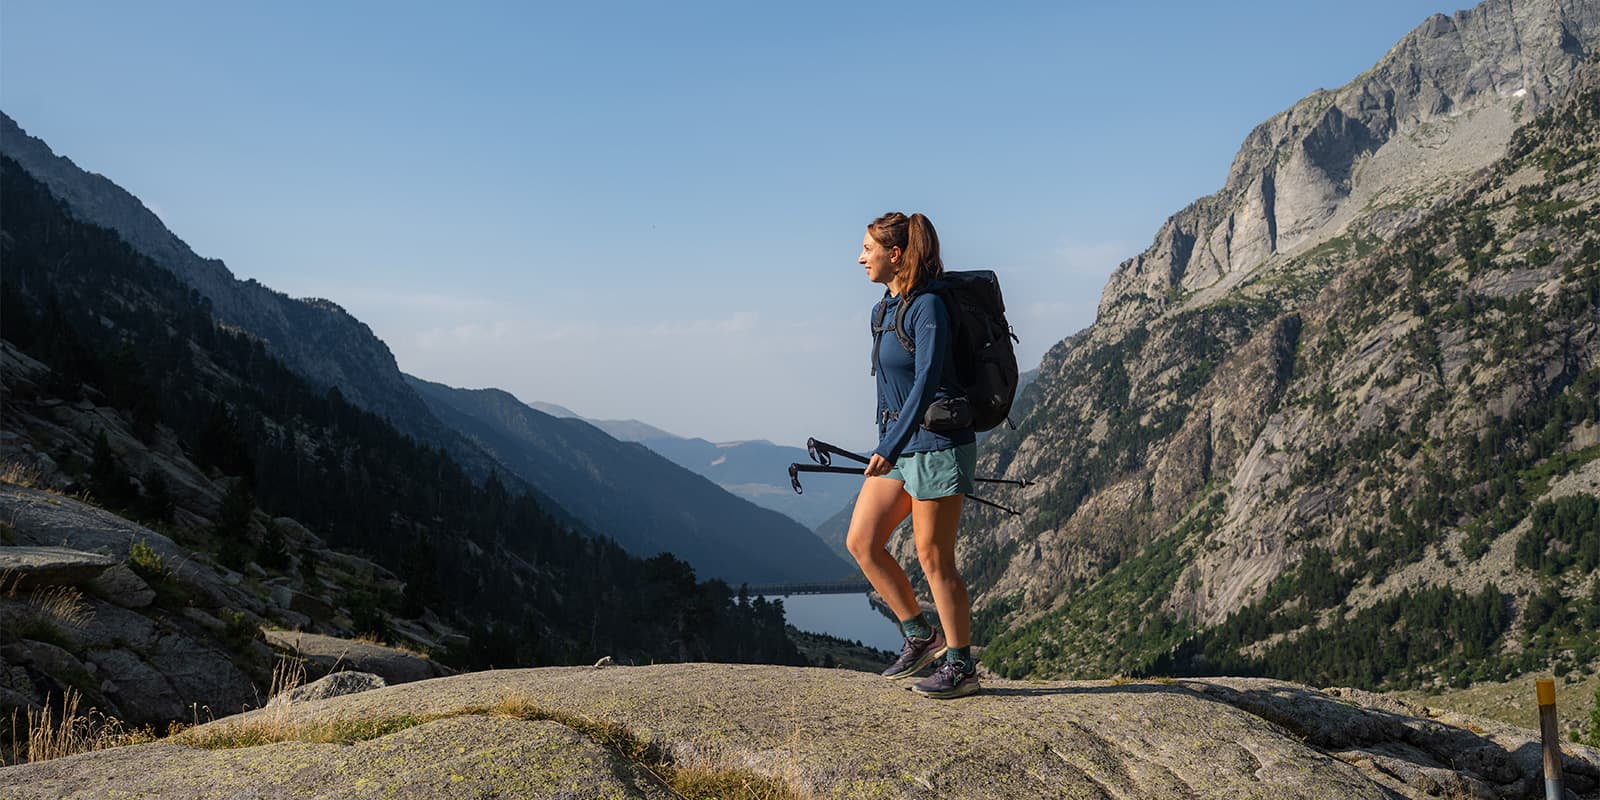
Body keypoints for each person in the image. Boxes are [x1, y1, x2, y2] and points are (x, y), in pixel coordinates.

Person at [847, 211, 980, 699]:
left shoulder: (929, 308)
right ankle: (920, 636)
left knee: (933, 557)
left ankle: (961, 665)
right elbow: (890, 388)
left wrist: (890, 444)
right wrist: (888, 441)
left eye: (868, 248)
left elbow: (925, 381)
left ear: (896, 254)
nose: (860, 257)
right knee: (862, 542)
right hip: (900, 447)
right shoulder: (883, 310)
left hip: (937, 446)